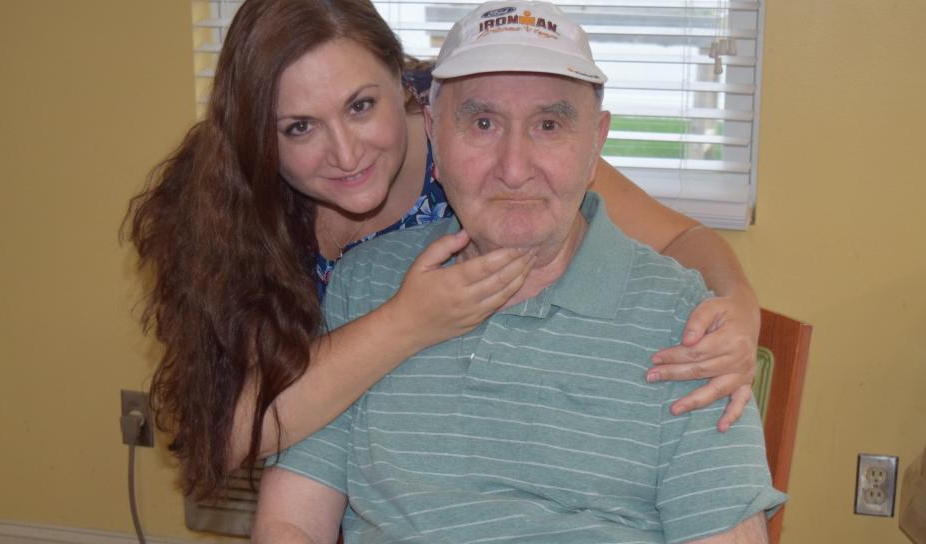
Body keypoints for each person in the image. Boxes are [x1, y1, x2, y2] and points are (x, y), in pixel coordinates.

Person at [252, 1, 785, 544]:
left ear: (596, 141)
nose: (513, 166)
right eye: (480, 123)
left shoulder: (688, 324)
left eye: (550, 124)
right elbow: (288, 529)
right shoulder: (368, 292)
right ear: (430, 134)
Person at [125, 0, 761, 502]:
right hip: (332, 502)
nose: (345, 155)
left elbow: (683, 238)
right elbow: (230, 433)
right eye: (299, 128)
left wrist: (738, 305)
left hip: (459, 486)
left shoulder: (475, 146)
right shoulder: (235, 206)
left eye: (361, 106)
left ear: (409, 90)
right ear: (256, 137)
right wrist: (407, 323)